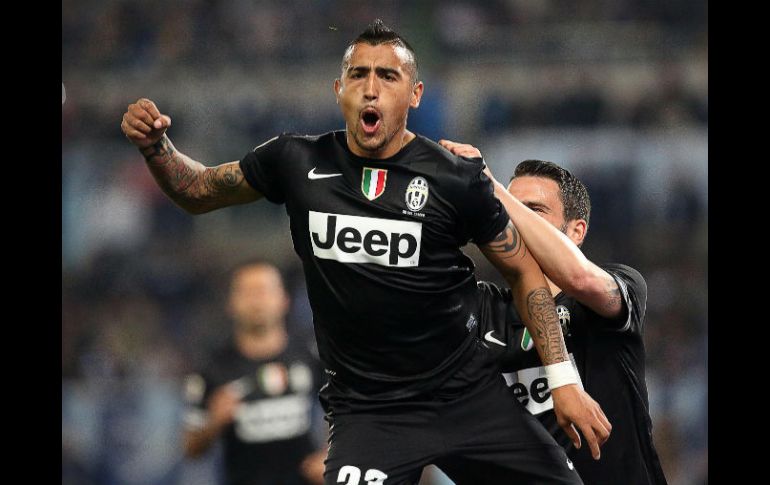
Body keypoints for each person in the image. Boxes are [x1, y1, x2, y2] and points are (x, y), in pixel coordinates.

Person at [122, 19, 610, 484]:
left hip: (465, 395)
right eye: (358, 75)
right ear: (339, 90)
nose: (371, 88)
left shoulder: (454, 177)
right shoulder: (295, 160)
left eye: (387, 76)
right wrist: (156, 147)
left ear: (415, 94)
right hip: (370, 411)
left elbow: (523, 271)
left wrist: (563, 378)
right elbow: (198, 190)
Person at [438, 141, 668, 484]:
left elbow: (579, 277)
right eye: (504, 209)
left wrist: (493, 189)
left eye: (532, 210)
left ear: (576, 231)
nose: (510, 219)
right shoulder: (481, 309)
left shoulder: (620, 286)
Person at [182, 260, 326, 485]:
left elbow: (344, 407)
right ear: (231, 303)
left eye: (264, 291)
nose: (257, 301)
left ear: (284, 299)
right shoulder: (212, 368)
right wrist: (213, 423)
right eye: (247, 292)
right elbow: (190, 448)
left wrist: (331, 453)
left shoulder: (311, 353)